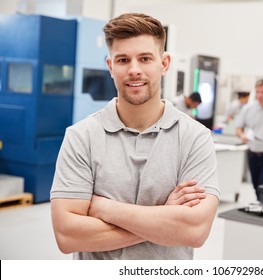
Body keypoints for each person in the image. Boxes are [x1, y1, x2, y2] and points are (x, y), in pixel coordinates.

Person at [50, 12, 220, 260]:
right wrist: (164, 216)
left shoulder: (195, 138)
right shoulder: (81, 137)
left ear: (164, 63)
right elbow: (68, 236)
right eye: (122, 60)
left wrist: (106, 209)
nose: (134, 70)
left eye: (145, 58)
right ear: (110, 67)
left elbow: (194, 230)